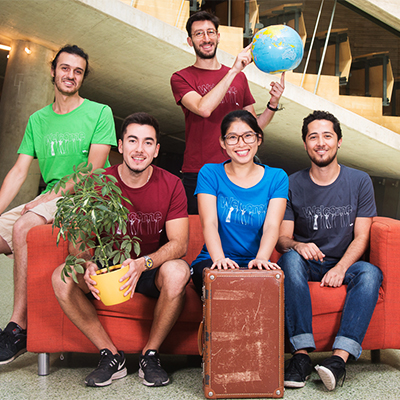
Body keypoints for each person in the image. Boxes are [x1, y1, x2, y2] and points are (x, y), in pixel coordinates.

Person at [52, 112, 190, 388]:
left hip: (149, 270)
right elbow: (78, 240)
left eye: (148, 142)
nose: (139, 149)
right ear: (120, 145)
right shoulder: (97, 183)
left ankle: (150, 355)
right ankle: (110, 355)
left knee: (178, 271)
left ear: (157, 150)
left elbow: (179, 244)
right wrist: (88, 263)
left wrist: (142, 264)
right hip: (107, 270)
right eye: (133, 141)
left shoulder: (172, 184)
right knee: (61, 277)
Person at [0, 45, 117, 365]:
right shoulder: (37, 120)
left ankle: (17, 327)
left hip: (82, 197)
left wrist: (47, 198)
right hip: (48, 197)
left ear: (83, 77)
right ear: (53, 71)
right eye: (65, 68)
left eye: (78, 71)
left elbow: (93, 167)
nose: (71, 75)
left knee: (24, 225)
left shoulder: (99, 112)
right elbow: (19, 170)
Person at [276, 110, 382, 391]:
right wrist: (299, 244)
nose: (320, 142)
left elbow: (362, 237)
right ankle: (300, 357)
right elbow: (282, 239)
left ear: (339, 141)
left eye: (327, 136)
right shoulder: (291, 183)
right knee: (289, 259)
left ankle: (338, 360)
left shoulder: (360, 181)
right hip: (307, 263)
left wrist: (341, 268)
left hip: (343, 263)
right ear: (305, 144)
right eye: (313, 137)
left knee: (371, 273)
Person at [171, 10, 285, 214]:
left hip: (237, 170)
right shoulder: (181, 78)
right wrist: (233, 70)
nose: (206, 38)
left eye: (210, 32)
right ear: (190, 41)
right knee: (198, 236)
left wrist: (273, 103)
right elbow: (203, 108)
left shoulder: (239, 79)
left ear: (218, 36)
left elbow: (254, 127)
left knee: (234, 233)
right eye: (199, 34)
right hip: (199, 172)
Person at [190, 110, 288, 294]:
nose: (241, 144)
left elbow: (272, 226)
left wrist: (261, 259)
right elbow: (208, 222)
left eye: (248, 136)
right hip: (213, 260)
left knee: (268, 290)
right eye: (233, 137)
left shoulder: (277, 177)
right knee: (221, 283)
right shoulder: (210, 173)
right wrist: (219, 259)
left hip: (256, 260)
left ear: (259, 139)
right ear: (223, 142)